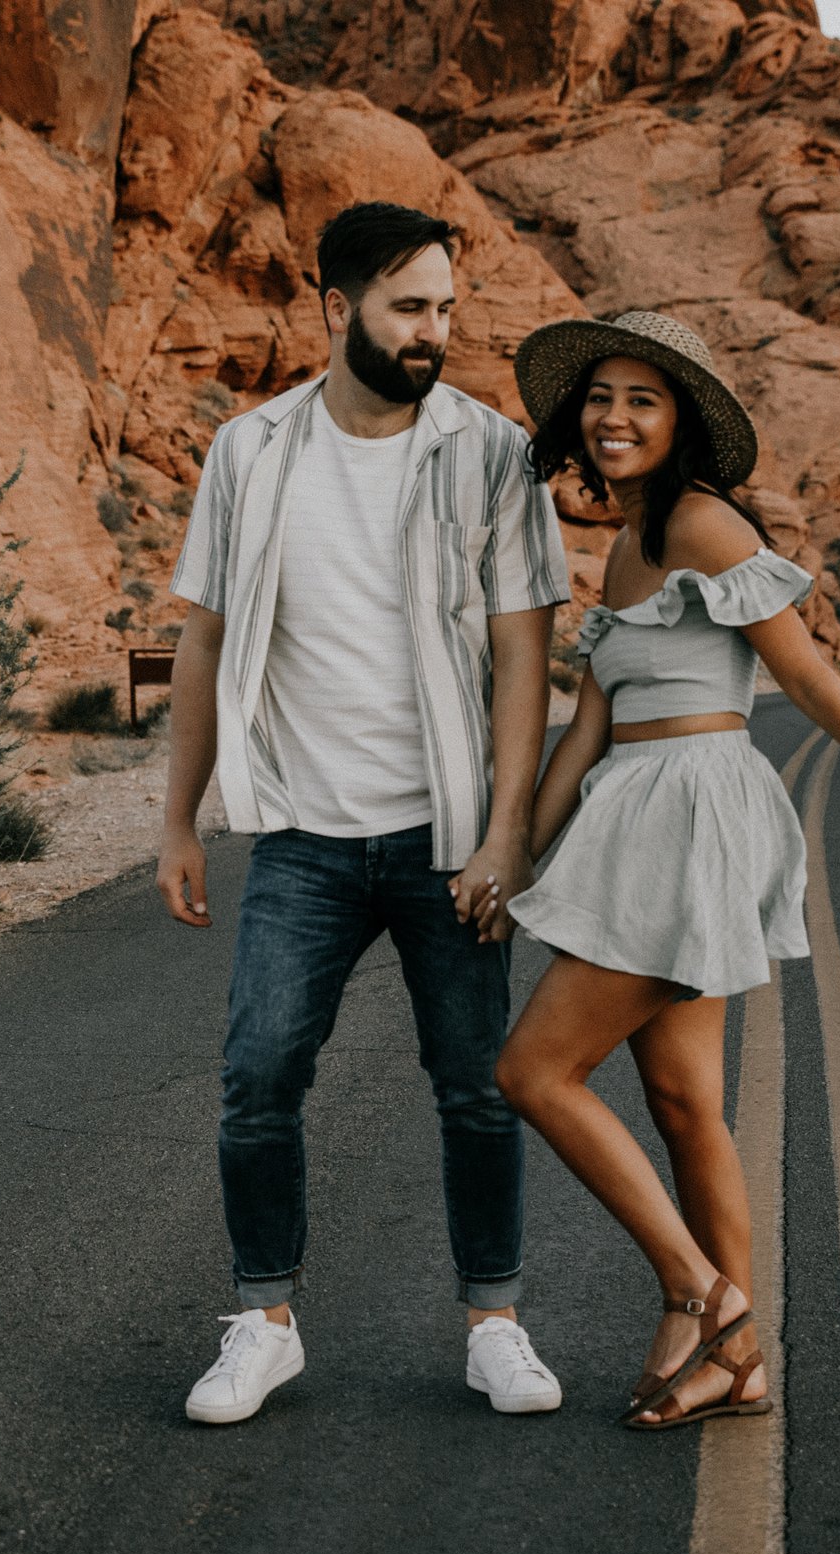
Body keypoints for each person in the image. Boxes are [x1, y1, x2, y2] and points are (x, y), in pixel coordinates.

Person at [487, 311, 840, 1428]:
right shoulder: (624, 544)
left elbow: (811, 682)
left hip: (692, 811)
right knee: (683, 1101)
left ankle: (702, 1295)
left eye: (643, 400)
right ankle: (743, 1358)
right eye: (601, 398)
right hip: (638, 809)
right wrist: (512, 849)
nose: (614, 417)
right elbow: (588, 727)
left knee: (532, 1069)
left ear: (683, 425)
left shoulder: (705, 525)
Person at [159, 202, 573, 1425]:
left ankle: (493, 1323)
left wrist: (504, 833)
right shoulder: (250, 451)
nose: (434, 332)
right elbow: (204, 637)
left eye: (446, 308)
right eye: (409, 308)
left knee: (476, 1083)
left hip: (449, 836)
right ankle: (263, 1320)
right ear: (335, 309)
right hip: (305, 835)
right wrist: (179, 818)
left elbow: (522, 656)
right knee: (259, 1072)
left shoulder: (493, 452)